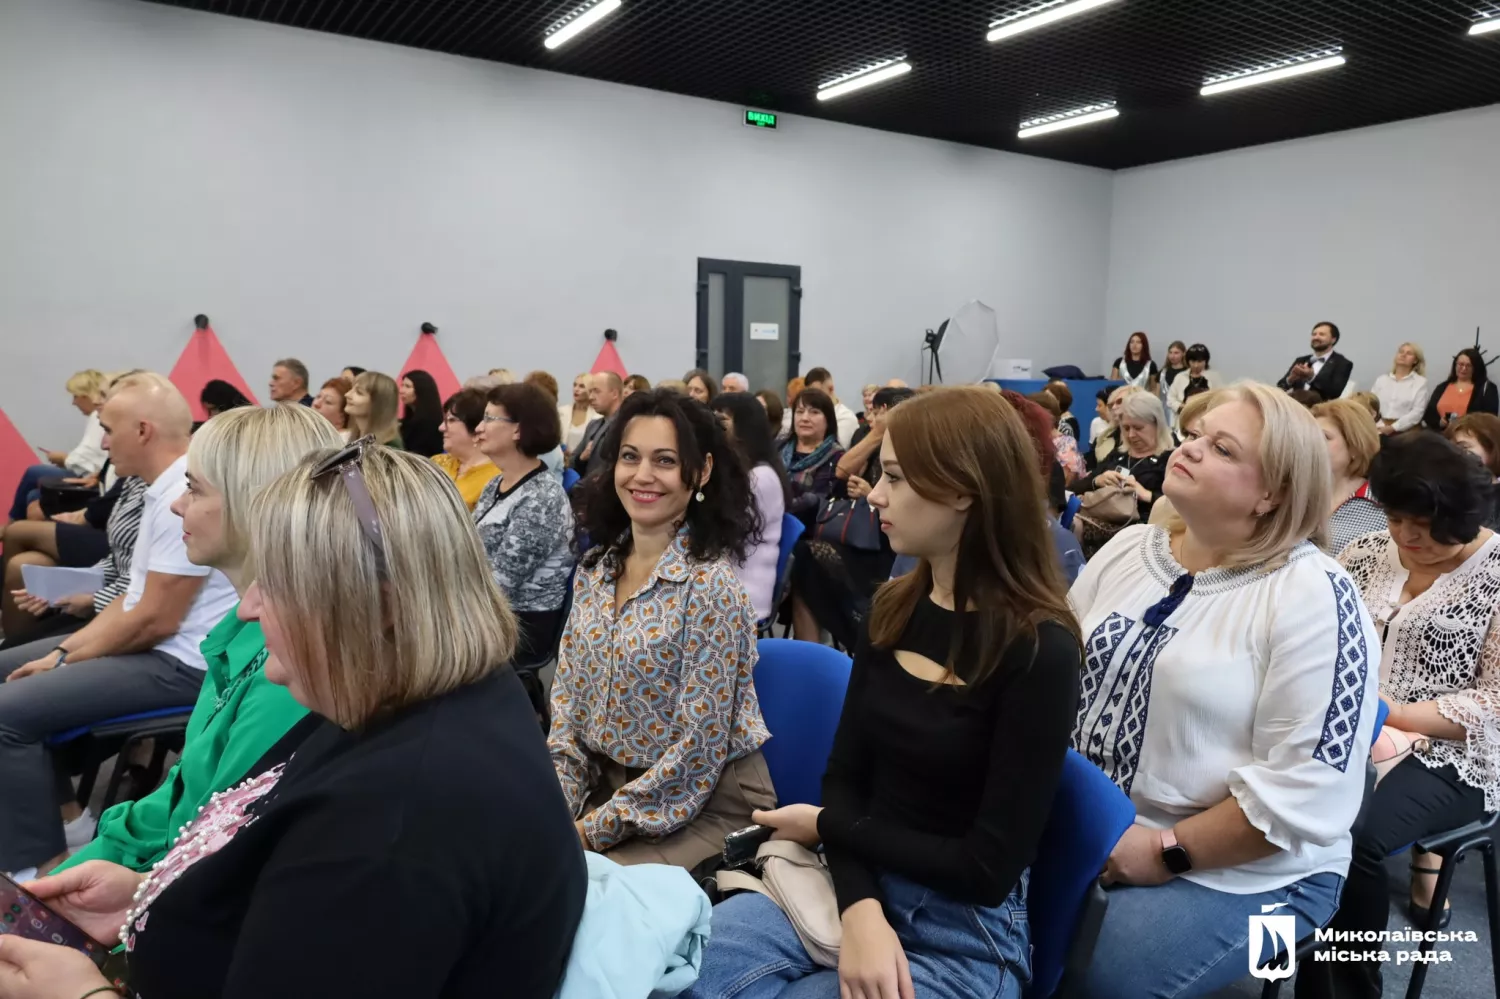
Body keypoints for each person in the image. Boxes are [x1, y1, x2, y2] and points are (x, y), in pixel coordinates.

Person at [9, 444, 587, 999]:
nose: (248, 608)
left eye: (280, 584)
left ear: (378, 608)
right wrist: (149, 897)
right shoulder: (414, 696)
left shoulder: (394, 827)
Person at [686, 386, 1081, 999]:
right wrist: (861, 905)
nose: (874, 494)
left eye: (893, 477)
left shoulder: (1039, 649)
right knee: (684, 974)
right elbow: (845, 781)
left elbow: (985, 870)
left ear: (961, 490)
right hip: (851, 879)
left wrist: (828, 829)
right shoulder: (896, 608)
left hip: (960, 931)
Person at [1072, 382, 1380, 999]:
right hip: (1091, 826)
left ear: (1273, 493)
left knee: (1094, 975)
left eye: (1221, 448)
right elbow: (1052, 671)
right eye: (1192, 436)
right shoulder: (1132, 548)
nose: (1187, 450)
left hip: (1251, 868)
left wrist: (1164, 851)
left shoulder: (1315, 595)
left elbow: (1305, 796)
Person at [54, 404, 339, 876]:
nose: (177, 504)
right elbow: (184, 793)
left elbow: (208, 843)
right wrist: (95, 858)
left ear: (254, 505)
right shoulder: (245, 626)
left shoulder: (289, 668)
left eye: (194, 489)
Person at [0, 374, 239, 879]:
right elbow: (130, 602)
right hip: (157, 649)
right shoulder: (163, 488)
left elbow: (154, 619)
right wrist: (64, 651)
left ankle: (40, 870)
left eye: (108, 429)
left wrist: (63, 658)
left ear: (143, 431)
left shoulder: (184, 491)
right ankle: (65, 825)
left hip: (183, 664)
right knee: (8, 672)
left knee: (7, 711)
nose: (102, 442)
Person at [1297, 434, 1500, 998]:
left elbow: (1496, 705)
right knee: (1281, 807)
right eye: (1396, 518)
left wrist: (1392, 713)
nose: (1408, 537)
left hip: (1455, 754)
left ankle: (1354, 988)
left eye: (1427, 525)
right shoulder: (1363, 553)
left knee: (1349, 834)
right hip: (1352, 728)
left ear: (1464, 515)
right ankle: (1306, 973)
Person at [550, 388, 774, 870]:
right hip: (617, 795)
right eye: (630, 457)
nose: (642, 475)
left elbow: (696, 755)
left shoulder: (710, 588)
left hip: (709, 801)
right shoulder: (596, 571)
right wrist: (555, 812)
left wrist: (586, 833)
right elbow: (567, 717)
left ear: (702, 472)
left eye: (665, 460)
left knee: (575, 893)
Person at [789, 388, 913, 648]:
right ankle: (811, 649)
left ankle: (856, 631)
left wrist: (869, 492)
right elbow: (844, 468)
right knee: (805, 557)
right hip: (859, 530)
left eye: (879, 412)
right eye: (872, 411)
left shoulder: (907, 445)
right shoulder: (864, 435)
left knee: (809, 556)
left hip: (884, 541)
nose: (872, 416)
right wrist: (875, 434)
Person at [472, 383, 574, 666]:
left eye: (489, 419)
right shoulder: (496, 483)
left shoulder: (542, 498)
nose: (479, 428)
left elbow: (500, 585)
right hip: (488, 612)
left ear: (518, 430)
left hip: (519, 624)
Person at [711, 391, 790, 621]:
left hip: (741, 595)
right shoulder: (730, 469)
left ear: (745, 427)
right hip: (720, 585)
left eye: (722, 420)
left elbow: (723, 535)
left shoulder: (761, 477)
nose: (713, 426)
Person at [1069, 391, 1174, 557]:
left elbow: (1180, 507)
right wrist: (1098, 480)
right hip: (1103, 524)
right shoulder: (1118, 456)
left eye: (1138, 428)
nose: (1131, 435)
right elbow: (1073, 488)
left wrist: (1146, 495)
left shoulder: (1170, 459)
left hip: (1142, 535)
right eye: (1126, 428)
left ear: (1157, 424)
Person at [8, 370, 109, 524]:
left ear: (86, 395)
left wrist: (64, 458)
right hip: (93, 479)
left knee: (34, 472)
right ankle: (16, 528)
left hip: (94, 483)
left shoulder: (98, 417)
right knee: (34, 494)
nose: (73, 402)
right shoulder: (96, 418)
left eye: (75, 396)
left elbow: (86, 460)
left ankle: (12, 525)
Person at [1313, 398, 1387, 555]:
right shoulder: (1292, 494)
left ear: (1354, 446)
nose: (1310, 443)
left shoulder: (1382, 510)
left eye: (1324, 437)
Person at [779, 387, 845, 531]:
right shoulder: (779, 446)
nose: (805, 418)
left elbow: (814, 502)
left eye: (814, 412)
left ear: (828, 420)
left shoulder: (836, 457)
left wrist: (773, 510)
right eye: (800, 411)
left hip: (808, 532)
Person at [430, 388, 499, 509]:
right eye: (444, 420)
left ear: (477, 428)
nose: (441, 427)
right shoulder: (435, 463)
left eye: (451, 420)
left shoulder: (496, 478)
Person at [1422, 346, 1499, 431]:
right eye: (1460, 364)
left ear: (1476, 368)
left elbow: (1490, 419)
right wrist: (1440, 422)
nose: (1463, 368)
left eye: (1468, 365)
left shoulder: (1487, 389)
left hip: (1469, 438)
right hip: (1440, 438)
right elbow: (1429, 413)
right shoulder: (1442, 387)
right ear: (1455, 365)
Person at [1278, 321, 1353, 401]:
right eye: (1314, 334)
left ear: (1333, 340)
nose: (1316, 337)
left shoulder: (1342, 363)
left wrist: (1312, 377)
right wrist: (1290, 380)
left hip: (1320, 411)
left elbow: (1334, 392)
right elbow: (1280, 387)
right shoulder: (1301, 360)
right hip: (1294, 408)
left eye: (1321, 334)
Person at [1370, 341, 1429, 435]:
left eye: (1409, 353)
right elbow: (1371, 404)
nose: (1403, 355)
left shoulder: (1420, 382)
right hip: (1379, 428)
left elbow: (1417, 412)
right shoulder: (1382, 380)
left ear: (1415, 360)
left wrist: (1393, 427)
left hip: (1406, 432)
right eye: (1401, 352)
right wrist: (1379, 425)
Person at [572, 372, 624, 476]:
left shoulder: (626, 425)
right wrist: (581, 458)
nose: (590, 397)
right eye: (590, 392)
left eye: (596, 391)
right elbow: (573, 460)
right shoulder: (593, 425)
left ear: (614, 394)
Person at [801, 367, 859, 448]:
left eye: (818, 393)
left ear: (831, 389)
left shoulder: (845, 417)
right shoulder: (806, 415)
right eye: (809, 393)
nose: (813, 398)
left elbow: (836, 449)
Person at [1166, 343, 1220, 429]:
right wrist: (1183, 407)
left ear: (1205, 361)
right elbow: (1170, 399)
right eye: (1193, 361)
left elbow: (1219, 400)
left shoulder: (1213, 378)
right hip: (1183, 423)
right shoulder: (1180, 377)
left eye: (1199, 361)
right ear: (1188, 361)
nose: (1196, 365)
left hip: (1206, 423)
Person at [344, 370, 403, 449]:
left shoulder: (390, 447)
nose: (347, 395)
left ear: (377, 402)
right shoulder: (354, 437)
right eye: (352, 389)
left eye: (359, 392)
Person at [397, 369, 444, 458]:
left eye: (407, 386)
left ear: (422, 389)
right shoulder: (407, 421)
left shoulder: (429, 423)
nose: (401, 390)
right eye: (402, 385)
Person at [560, 372, 602, 456]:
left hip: (584, 464)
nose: (576, 389)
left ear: (590, 390)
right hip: (562, 462)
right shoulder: (561, 412)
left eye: (581, 386)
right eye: (575, 385)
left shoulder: (598, 416)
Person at [1159, 340, 1188, 405]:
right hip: (1163, 412)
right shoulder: (1162, 373)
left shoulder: (1188, 373)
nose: (1172, 356)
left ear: (1183, 353)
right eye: (1170, 352)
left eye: (1176, 353)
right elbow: (1157, 394)